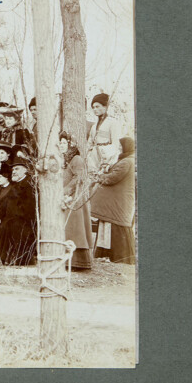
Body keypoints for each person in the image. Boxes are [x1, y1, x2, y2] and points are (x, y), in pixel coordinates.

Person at [91, 137, 136, 265]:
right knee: (114, 228)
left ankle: (118, 257)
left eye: (121, 147)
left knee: (116, 228)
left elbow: (112, 178)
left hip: (116, 205)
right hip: (116, 205)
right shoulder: (127, 161)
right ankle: (112, 256)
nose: (119, 149)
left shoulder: (126, 162)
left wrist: (99, 177)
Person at [58, 131, 94, 270]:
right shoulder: (62, 159)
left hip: (75, 198)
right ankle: (65, 260)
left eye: (63, 143)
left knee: (74, 228)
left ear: (69, 144)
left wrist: (65, 191)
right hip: (64, 198)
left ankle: (78, 262)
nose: (61, 146)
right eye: (59, 143)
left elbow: (78, 178)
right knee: (66, 228)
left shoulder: (76, 158)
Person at [0, 157, 38, 266]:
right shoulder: (16, 185)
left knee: (16, 230)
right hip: (13, 220)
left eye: (17, 169)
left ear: (25, 170)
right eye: (13, 169)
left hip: (24, 222)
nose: (14, 172)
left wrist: (14, 217)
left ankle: (21, 260)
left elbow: (29, 208)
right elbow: (6, 203)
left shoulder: (29, 184)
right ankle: (7, 258)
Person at [86, 93, 123, 173]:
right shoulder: (94, 126)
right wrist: (89, 156)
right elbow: (89, 144)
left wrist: (108, 162)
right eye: (93, 107)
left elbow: (115, 145)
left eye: (97, 106)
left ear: (105, 107)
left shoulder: (113, 123)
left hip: (108, 159)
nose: (95, 109)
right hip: (94, 160)